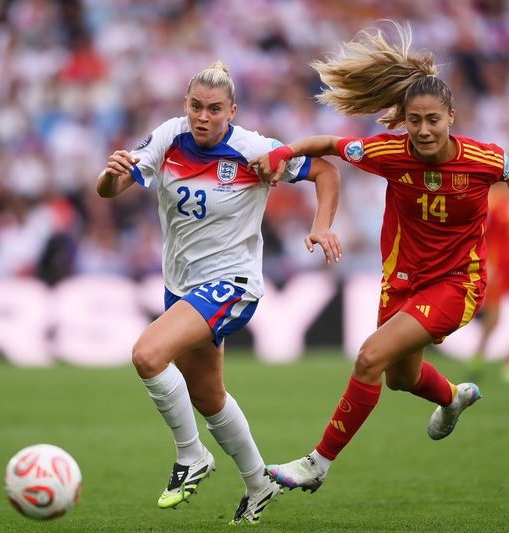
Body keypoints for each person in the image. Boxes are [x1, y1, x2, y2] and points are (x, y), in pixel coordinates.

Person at [249, 21, 509, 493]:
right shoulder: (387, 151)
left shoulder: (482, 160)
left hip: (457, 284)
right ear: (404, 120)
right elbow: (325, 146)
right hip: (402, 280)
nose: (424, 131)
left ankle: (316, 464)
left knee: (369, 357)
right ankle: (452, 397)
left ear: (451, 117)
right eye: (414, 121)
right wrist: (282, 153)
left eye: (433, 120)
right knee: (400, 378)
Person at [96, 61, 342, 524]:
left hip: (233, 283)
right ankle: (258, 482)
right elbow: (111, 189)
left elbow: (326, 172)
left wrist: (321, 224)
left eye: (213, 109)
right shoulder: (169, 137)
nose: (202, 117)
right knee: (207, 396)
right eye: (195, 106)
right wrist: (112, 174)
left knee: (148, 355)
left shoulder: (254, 149)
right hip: (181, 285)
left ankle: (192, 456)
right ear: (185, 106)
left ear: (232, 111)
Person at [468, 185, 509, 384]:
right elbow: (485, 234)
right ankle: (478, 356)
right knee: (493, 320)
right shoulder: (494, 202)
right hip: (500, 268)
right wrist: (488, 263)